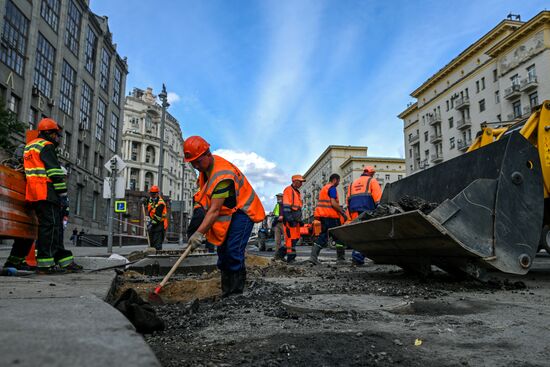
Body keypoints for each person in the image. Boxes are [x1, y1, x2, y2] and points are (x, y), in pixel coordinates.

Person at [184, 136, 265, 297]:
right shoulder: (206, 170)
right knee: (223, 251)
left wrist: (199, 234)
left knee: (233, 251)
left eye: (198, 161)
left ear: (208, 154)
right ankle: (226, 290)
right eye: (193, 163)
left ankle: (235, 293)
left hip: (244, 212)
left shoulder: (223, 175)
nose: (196, 166)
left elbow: (214, 210)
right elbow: (205, 199)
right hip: (230, 212)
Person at [23, 118, 81, 274]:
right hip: (47, 192)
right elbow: (55, 172)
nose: (58, 139)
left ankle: (62, 260)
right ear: (50, 133)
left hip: (34, 193)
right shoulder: (46, 146)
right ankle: (45, 264)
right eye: (57, 135)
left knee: (49, 227)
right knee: (51, 228)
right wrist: (63, 194)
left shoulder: (29, 147)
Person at [346, 165, 382, 265]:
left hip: (354, 212)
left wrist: (349, 216)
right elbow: (378, 199)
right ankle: (377, 257)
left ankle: (357, 258)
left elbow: (348, 200)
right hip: (367, 211)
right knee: (371, 234)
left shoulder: (352, 183)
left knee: (358, 235)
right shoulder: (372, 181)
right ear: (371, 173)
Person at [309, 173, 348, 265]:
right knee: (339, 237)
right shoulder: (332, 188)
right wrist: (342, 212)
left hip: (323, 216)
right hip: (331, 216)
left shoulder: (324, 188)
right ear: (335, 180)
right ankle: (341, 259)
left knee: (323, 236)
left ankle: (313, 257)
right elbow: (333, 203)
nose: (338, 183)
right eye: (338, 181)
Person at [274, 175, 305, 263]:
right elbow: (287, 207)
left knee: (294, 239)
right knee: (291, 239)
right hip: (290, 220)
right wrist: (289, 219)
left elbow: (297, 208)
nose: (301, 183)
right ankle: (291, 258)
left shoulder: (296, 192)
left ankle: (279, 256)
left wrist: (299, 220)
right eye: (300, 181)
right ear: (295, 181)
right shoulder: (288, 190)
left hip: (295, 220)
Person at [146, 185, 168, 250]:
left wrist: (151, 225)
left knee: (157, 243)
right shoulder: (151, 199)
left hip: (160, 224)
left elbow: (157, 217)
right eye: (151, 194)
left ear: (157, 194)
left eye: (153, 194)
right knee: (151, 242)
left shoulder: (161, 203)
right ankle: (152, 254)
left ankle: (157, 256)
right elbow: (148, 202)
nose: (152, 195)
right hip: (154, 223)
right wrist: (144, 201)